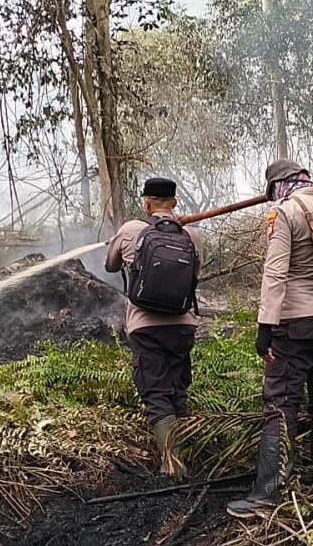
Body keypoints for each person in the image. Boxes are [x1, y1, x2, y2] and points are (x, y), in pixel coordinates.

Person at [226, 159, 313, 518]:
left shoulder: (284, 212)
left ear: (279, 186)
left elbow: (276, 271)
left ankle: (265, 493)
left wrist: (265, 326)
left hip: (295, 323)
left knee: (280, 403)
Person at [105, 177, 202, 479]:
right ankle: (182, 457)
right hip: (183, 324)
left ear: (146, 202)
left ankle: (173, 465)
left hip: (145, 326)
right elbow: (194, 275)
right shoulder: (192, 234)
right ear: (174, 202)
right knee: (177, 388)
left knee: (156, 390)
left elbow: (110, 266)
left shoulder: (131, 230)